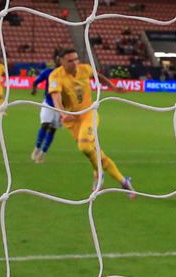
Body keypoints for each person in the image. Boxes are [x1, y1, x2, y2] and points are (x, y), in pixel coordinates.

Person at [47, 49, 135, 198]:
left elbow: (98, 76)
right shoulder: (55, 76)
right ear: (61, 61)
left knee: (84, 146)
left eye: (76, 59)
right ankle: (121, 180)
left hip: (89, 114)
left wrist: (113, 87)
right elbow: (56, 98)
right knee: (92, 152)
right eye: (70, 60)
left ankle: (100, 175)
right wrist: (63, 114)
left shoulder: (85, 68)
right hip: (72, 120)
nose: (75, 63)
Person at [30, 52, 62, 163]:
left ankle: (43, 153)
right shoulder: (48, 72)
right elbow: (36, 82)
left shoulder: (68, 74)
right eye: (58, 59)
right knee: (45, 125)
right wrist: (34, 89)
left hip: (61, 105)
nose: (59, 61)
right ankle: (37, 148)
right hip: (48, 103)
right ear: (55, 60)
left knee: (53, 129)